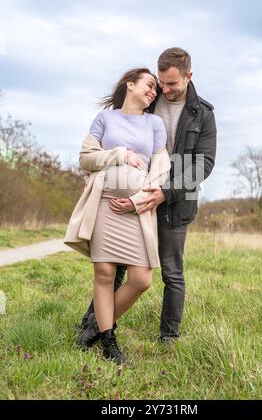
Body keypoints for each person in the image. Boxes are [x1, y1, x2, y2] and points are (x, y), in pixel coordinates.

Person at [77, 47, 217, 346]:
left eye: (171, 84)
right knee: (113, 266)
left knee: (172, 271)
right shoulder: (150, 103)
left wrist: (165, 192)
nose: (164, 89)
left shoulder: (202, 113)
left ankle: (168, 336)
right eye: (160, 83)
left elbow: (203, 163)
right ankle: (95, 326)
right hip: (136, 201)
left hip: (177, 199)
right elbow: (120, 132)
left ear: (188, 77)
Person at [64, 68, 171, 364]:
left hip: (137, 210)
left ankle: (97, 324)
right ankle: (109, 340)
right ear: (130, 84)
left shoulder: (155, 123)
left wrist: (137, 201)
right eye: (149, 85)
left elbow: (160, 167)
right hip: (104, 205)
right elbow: (85, 158)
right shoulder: (105, 119)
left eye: (156, 90)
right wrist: (119, 154)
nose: (153, 92)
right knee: (105, 274)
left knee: (141, 279)